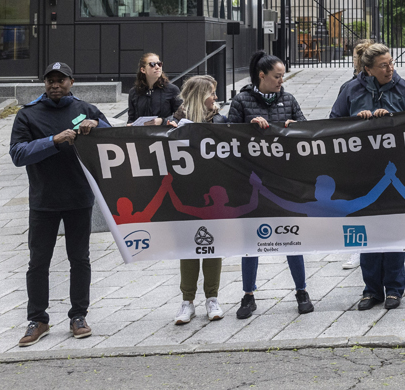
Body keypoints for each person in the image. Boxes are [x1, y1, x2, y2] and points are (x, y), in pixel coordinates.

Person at [9, 62, 109, 347]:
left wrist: (97, 125)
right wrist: (53, 140)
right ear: (44, 83)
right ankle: (38, 319)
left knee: (80, 259)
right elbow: (18, 153)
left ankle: (79, 316)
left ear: (71, 82)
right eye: (50, 80)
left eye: (60, 80)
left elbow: (112, 137)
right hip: (44, 201)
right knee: (38, 262)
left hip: (79, 198)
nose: (55, 84)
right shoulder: (27, 114)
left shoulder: (84, 110)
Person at [331, 41, 405, 311]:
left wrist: (391, 118)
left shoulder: (402, 87)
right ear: (368, 69)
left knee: (394, 230)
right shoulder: (350, 90)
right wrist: (356, 121)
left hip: (396, 170)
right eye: (384, 66)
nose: (390, 69)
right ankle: (371, 291)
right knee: (367, 231)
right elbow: (333, 123)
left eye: (392, 63)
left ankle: (394, 289)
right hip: (362, 171)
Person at [227, 51, 311, 319]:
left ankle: (301, 290)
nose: (281, 81)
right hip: (250, 180)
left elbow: (306, 131)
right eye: (277, 76)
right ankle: (248, 295)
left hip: (282, 180)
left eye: (283, 76)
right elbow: (226, 133)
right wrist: (246, 127)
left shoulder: (288, 99)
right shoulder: (241, 101)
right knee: (251, 239)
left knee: (290, 237)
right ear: (261, 76)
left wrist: (294, 127)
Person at [170, 75, 228, 325]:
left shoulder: (220, 119)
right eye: (211, 93)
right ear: (198, 95)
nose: (215, 98)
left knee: (213, 246)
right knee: (188, 247)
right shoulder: (175, 120)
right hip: (187, 189)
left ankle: (212, 298)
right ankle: (187, 301)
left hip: (214, 191)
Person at [126, 53, 181, 125]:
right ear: (143, 70)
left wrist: (162, 121)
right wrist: (130, 125)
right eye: (152, 64)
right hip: (142, 134)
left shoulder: (172, 89)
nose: (157, 67)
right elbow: (131, 119)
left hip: (163, 133)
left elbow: (181, 116)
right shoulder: (134, 92)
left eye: (159, 64)